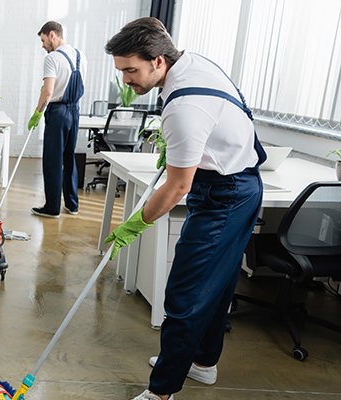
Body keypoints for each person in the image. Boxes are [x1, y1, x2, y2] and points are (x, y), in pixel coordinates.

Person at [103, 17, 267, 400]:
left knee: (185, 294)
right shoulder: (191, 60)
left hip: (224, 194)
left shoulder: (184, 108)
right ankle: (204, 363)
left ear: (159, 61)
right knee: (220, 282)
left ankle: (161, 392)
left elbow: (177, 186)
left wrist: (132, 226)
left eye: (131, 70)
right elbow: (156, 22)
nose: (126, 81)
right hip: (239, 183)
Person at [27, 21, 87, 218]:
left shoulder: (52, 58)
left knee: (53, 160)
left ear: (52, 35)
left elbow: (48, 91)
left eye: (44, 40)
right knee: (69, 157)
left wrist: (37, 113)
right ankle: (72, 204)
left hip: (58, 112)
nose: (43, 45)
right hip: (75, 111)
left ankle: (52, 207)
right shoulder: (80, 56)